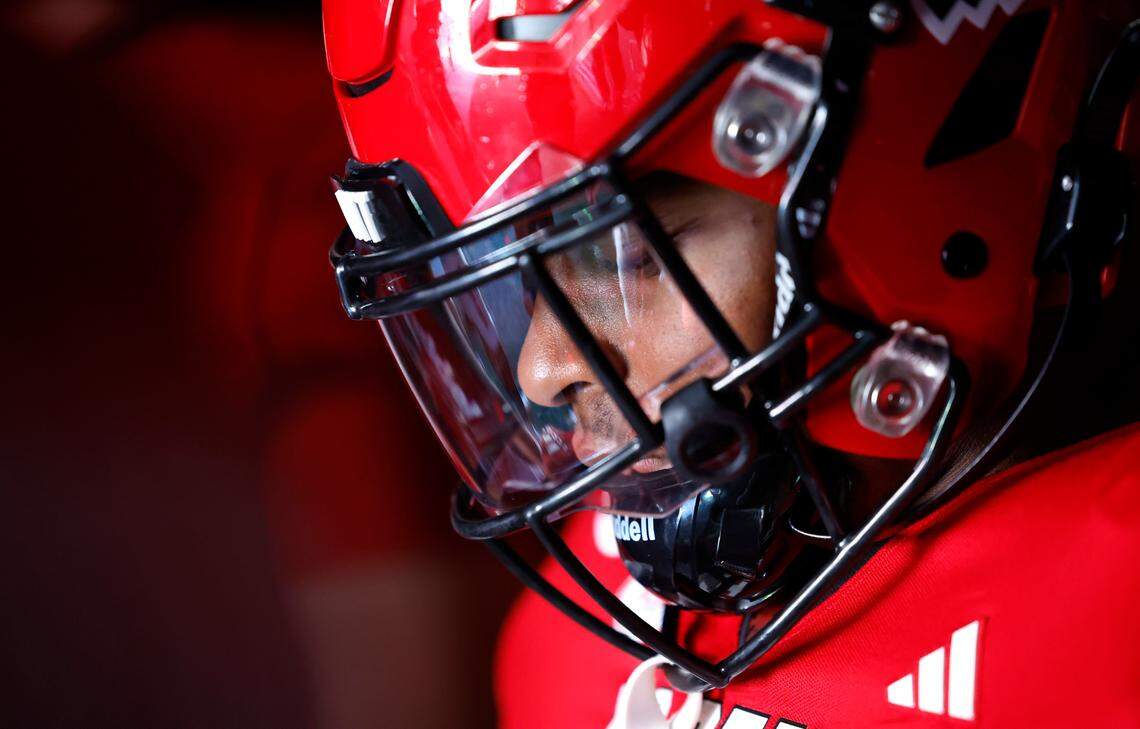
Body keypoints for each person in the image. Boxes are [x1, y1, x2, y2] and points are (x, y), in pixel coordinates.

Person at [320, 0, 1140, 725]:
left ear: (898, 200)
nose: (539, 371)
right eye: (513, 279)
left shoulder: (1109, 608)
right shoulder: (574, 644)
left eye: (626, 255)